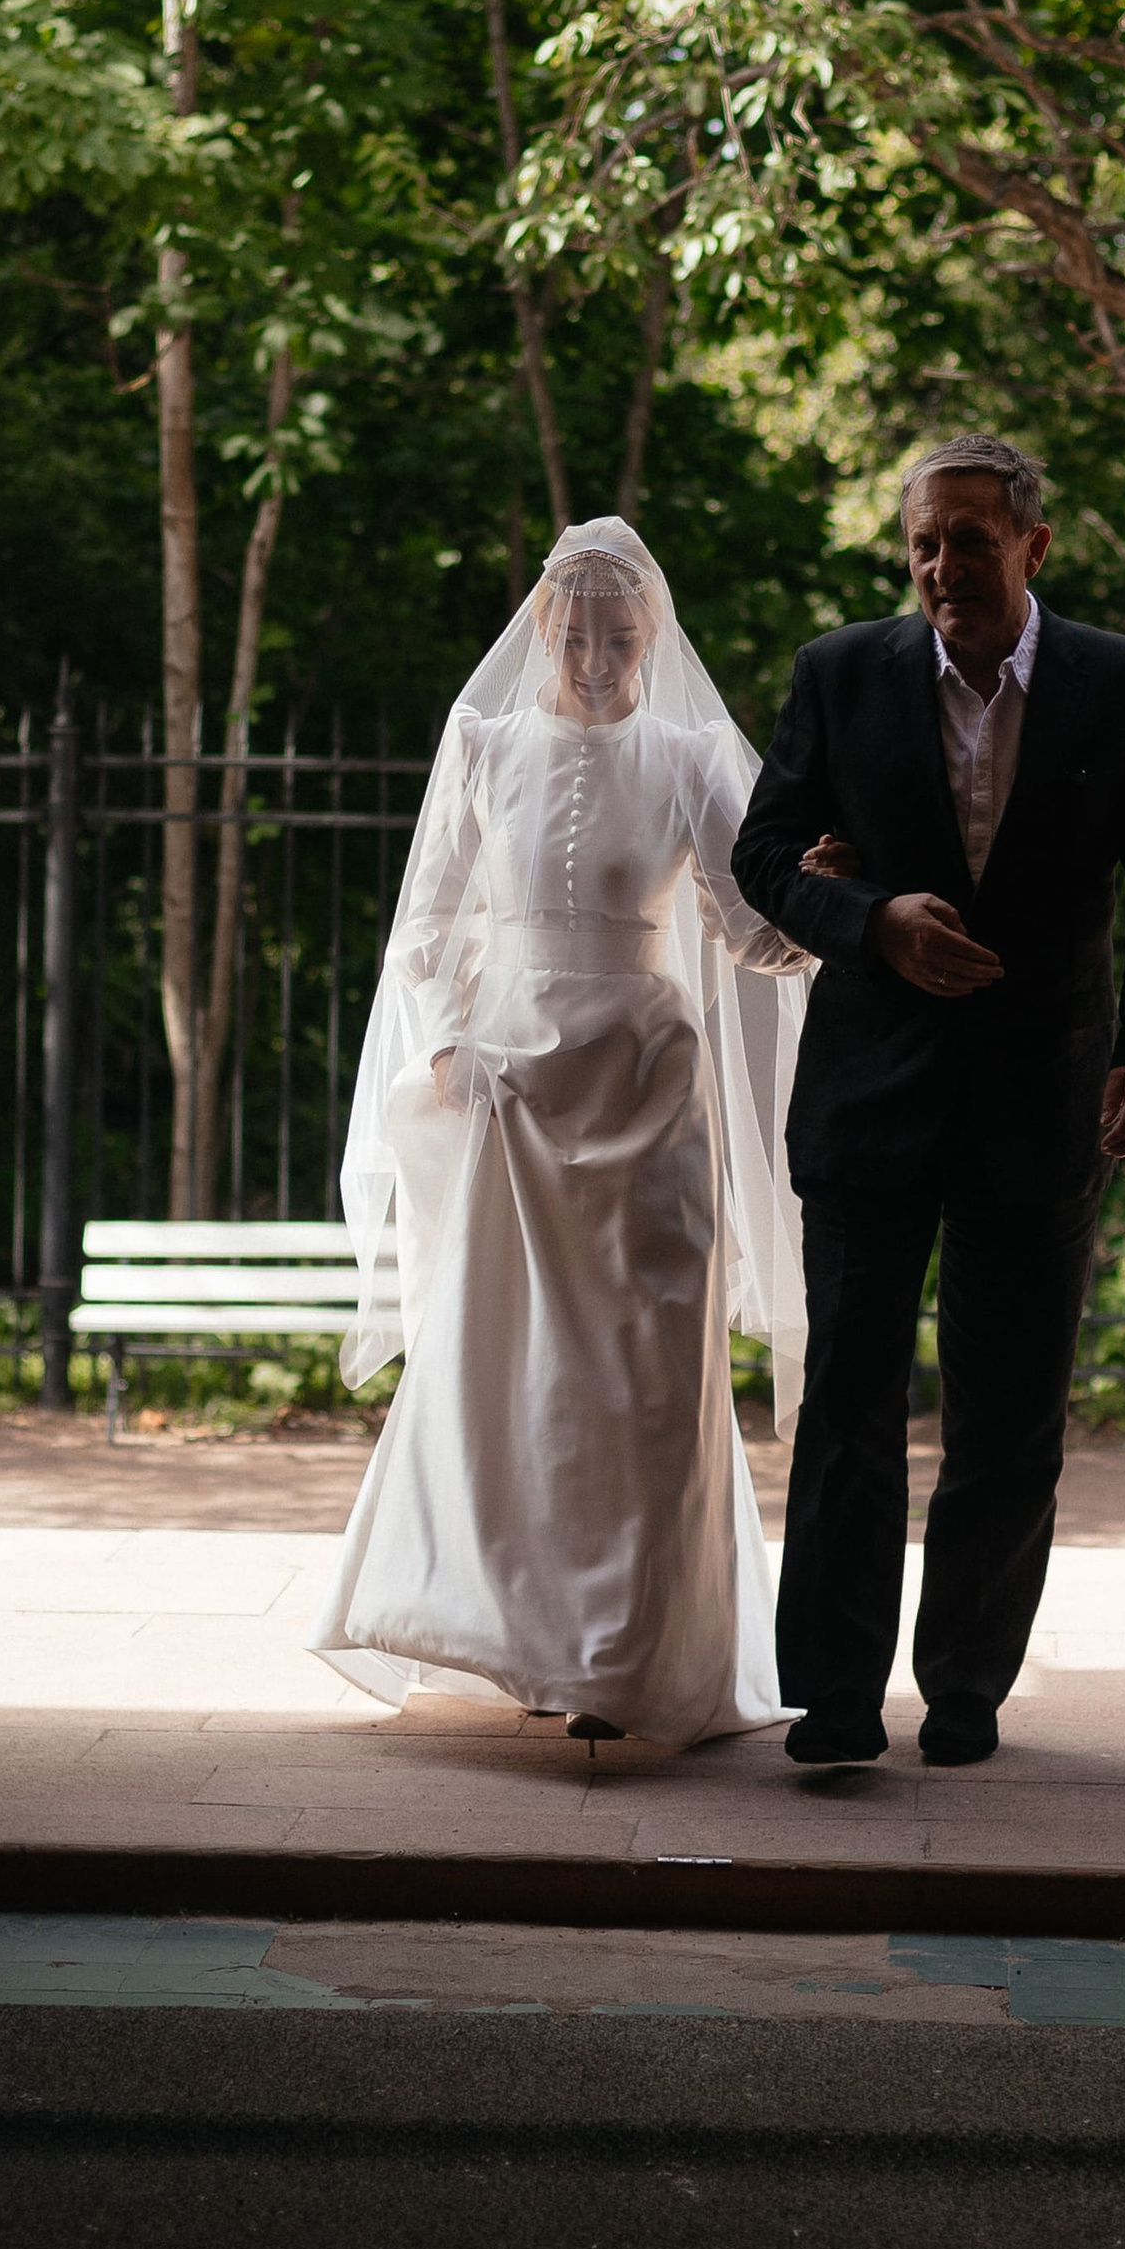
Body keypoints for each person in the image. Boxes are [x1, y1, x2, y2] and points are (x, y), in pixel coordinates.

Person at [731, 433, 1125, 1769]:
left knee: (1009, 1417)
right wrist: (871, 916)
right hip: (868, 1099)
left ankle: (964, 1694)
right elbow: (765, 852)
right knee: (848, 1406)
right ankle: (832, 1699)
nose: (944, 567)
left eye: (972, 541)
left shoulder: (1122, 686)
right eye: (926, 544)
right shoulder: (840, 675)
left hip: (1043, 1101)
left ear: (1034, 548)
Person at [311, 518, 815, 1746]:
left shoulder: (693, 758)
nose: (597, 656)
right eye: (577, 631)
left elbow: (748, 926)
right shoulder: (482, 744)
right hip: (515, 1098)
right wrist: (447, 1043)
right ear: (544, 627)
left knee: (644, 1376)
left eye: (622, 636)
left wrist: (829, 919)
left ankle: (627, 1656)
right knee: (516, 1378)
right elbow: (426, 923)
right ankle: (523, 1638)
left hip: (647, 1088)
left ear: (652, 638)